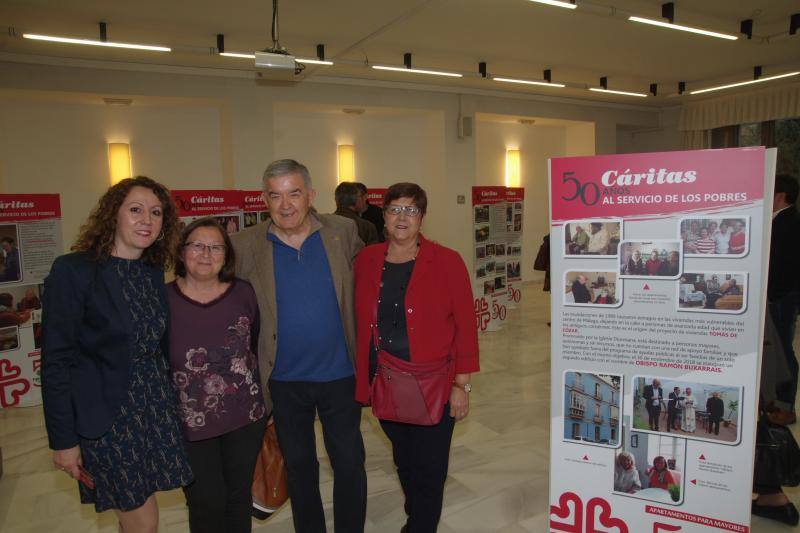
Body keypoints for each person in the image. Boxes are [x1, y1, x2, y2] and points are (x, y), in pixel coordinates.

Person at [41, 176, 192, 533]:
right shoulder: (74, 270)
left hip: (152, 413)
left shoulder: (151, 272)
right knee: (143, 521)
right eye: (136, 210)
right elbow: (55, 362)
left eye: (156, 213)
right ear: (114, 215)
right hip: (109, 421)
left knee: (139, 514)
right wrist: (64, 441)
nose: (147, 220)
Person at [230, 159, 367, 533]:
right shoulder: (245, 245)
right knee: (300, 466)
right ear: (264, 199)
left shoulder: (343, 231)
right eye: (275, 195)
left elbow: (368, 287)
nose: (285, 204)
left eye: (294, 194)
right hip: (284, 380)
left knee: (350, 462)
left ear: (310, 195)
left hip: (340, 374)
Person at [353, 182, 479, 533]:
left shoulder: (447, 261)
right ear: (384, 216)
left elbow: (466, 326)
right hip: (386, 381)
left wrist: (462, 385)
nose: (402, 217)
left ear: (422, 217)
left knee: (430, 466)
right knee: (404, 460)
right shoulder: (367, 260)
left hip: (435, 382)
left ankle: (421, 524)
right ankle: (417, 512)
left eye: (411, 210)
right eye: (394, 209)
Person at [168, 217, 267, 533]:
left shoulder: (244, 293)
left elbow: (254, 344)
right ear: (182, 253)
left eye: (215, 247)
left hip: (244, 418)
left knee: (238, 498)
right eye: (197, 245)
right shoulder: (162, 299)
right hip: (189, 422)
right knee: (204, 499)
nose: (205, 254)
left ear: (227, 255)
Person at [766, 174, 800, 425]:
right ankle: (773, 401)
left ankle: (785, 406)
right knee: (776, 351)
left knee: (784, 353)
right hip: (777, 296)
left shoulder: (790, 223)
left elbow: (786, 268)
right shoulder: (778, 220)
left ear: (780, 196)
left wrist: (772, 296)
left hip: (782, 298)